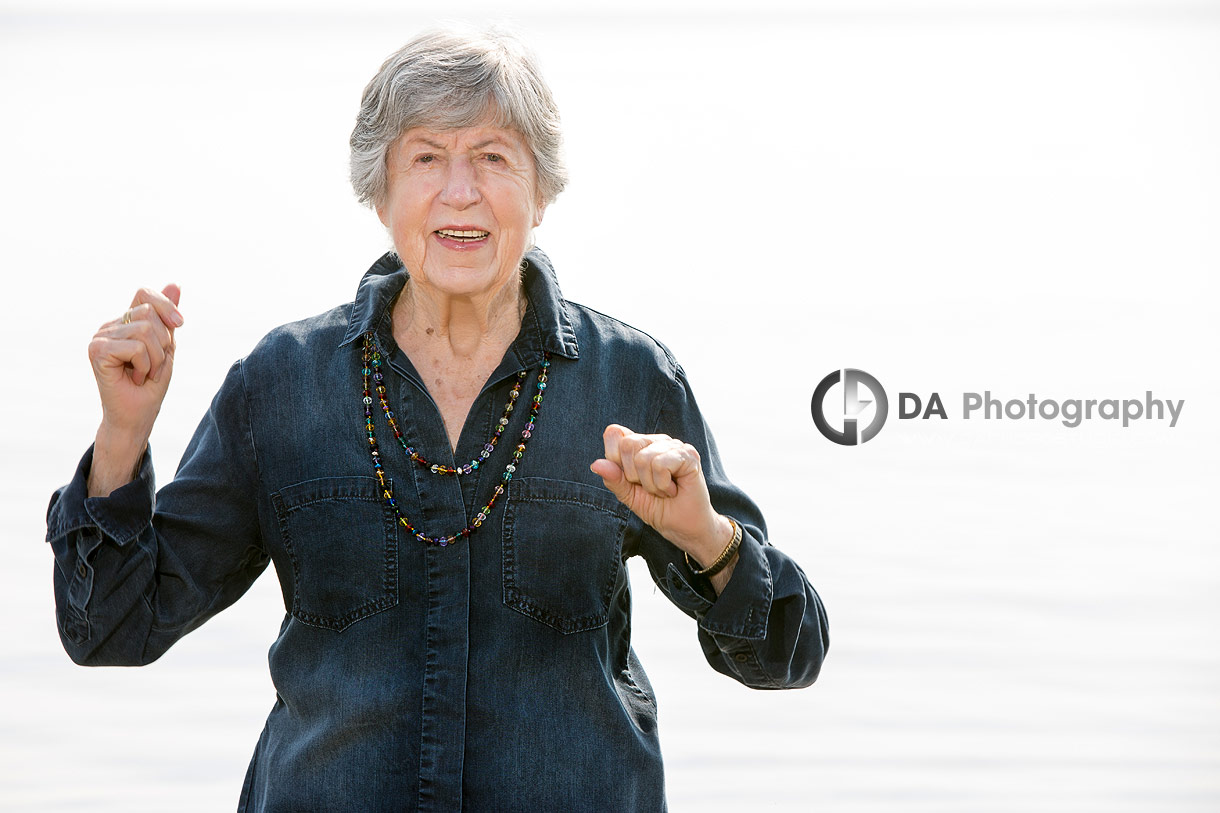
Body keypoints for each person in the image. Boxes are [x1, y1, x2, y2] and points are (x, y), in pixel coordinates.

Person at [46, 27, 829, 812]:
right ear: (380, 192)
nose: (461, 192)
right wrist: (124, 433)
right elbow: (111, 629)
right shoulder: (281, 384)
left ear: (541, 190)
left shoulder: (630, 379)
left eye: (494, 157)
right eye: (426, 158)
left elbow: (786, 655)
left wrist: (708, 540)